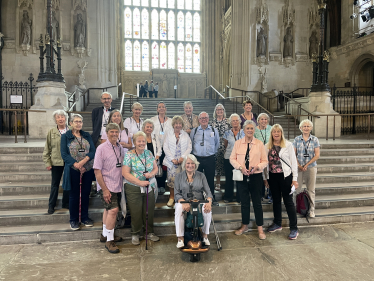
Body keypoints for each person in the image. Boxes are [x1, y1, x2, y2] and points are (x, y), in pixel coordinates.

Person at [230, 120, 268, 239]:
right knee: (244, 203)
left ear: (254, 130)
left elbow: (265, 161)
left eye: (252, 128)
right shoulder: (238, 143)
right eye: (248, 128)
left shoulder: (259, 144)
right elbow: (232, 159)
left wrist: (257, 167)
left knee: (257, 202)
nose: (250, 130)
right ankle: (244, 225)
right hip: (242, 176)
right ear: (244, 130)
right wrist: (240, 167)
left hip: (255, 176)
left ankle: (260, 229)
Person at [122, 131, 160, 245]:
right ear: (134, 142)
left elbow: (155, 168)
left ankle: (149, 232)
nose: (142, 143)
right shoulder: (129, 155)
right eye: (139, 141)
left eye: (143, 141)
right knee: (136, 211)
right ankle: (135, 233)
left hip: (149, 186)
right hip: (133, 187)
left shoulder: (148, 153)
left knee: (149, 210)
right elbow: (125, 173)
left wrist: (151, 174)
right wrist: (139, 182)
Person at [264, 124, 299, 240]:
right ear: (271, 133)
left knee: (288, 202)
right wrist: (265, 178)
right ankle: (277, 223)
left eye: (278, 131)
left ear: (281, 133)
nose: (276, 133)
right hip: (272, 177)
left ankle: (294, 228)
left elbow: (293, 162)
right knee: (276, 201)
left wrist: (295, 179)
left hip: (286, 176)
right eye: (274, 131)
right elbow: (265, 164)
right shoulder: (267, 146)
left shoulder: (288, 145)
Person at [61, 114, 95, 231]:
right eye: (76, 121)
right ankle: (73, 220)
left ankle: (85, 218)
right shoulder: (66, 136)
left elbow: (93, 151)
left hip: (87, 168)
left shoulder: (86, 135)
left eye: (80, 121)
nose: (78, 124)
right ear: (70, 123)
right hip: (73, 169)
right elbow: (64, 154)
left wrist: (84, 163)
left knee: (85, 194)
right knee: (74, 195)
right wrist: (76, 165)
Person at [94, 123, 124, 253]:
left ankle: (105, 234)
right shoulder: (101, 148)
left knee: (107, 210)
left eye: (116, 132)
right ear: (106, 133)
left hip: (117, 184)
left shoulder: (120, 147)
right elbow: (97, 171)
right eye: (111, 132)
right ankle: (109, 241)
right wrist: (105, 189)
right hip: (106, 184)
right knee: (113, 210)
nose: (114, 134)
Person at [174, 154, 213, 249]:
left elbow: (208, 192)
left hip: (198, 200)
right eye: (188, 163)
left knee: (207, 210)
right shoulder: (178, 176)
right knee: (178, 209)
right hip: (183, 201)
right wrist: (183, 202)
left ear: (195, 165)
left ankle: (204, 236)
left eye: (192, 163)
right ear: (184, 164)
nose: (190, 165)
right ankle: (180, 238)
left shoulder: (201, 175)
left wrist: (209, 202)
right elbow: (176, 193)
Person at [42, 110, 70, 214]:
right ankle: (51, 206)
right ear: (55, 120)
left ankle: (66, 203)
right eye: (58, 117)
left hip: (69, 162)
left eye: (62, 116)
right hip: (56, 162)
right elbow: (47, 149)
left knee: (68, 183)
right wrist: (47, 163)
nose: (61, 119)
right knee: (55, 184)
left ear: (66, 118)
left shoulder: (71, 130)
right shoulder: (52, 132)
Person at [190, 112, 220, 206]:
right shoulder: (194, 131)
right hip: (197, 159)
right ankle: (196, 197)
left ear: (208, 119)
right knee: (197, 179)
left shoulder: (214, 130)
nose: (204, 119)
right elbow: (191, 143)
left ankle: (211, 197)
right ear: (199, 120)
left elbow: (217, 144)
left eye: (206, 118)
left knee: (210, 179)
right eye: (202, 118)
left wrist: (211, 153)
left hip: (209, 158)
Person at [293, 119, 320, 218]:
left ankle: (311, 210)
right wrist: (299, 165)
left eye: (308, 126)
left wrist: (307, 164)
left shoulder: (315, 139)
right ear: (300, 128)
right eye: (304, 126)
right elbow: (293, 154)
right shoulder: (296, 139)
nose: (306, 128)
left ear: (311, 128)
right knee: (297, 189)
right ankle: (298, 208)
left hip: (311, 167)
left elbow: (317, 155)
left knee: (311, 189)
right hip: (298, 168)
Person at [163, 116, 192, 207]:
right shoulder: (168, 134)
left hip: (182, 162)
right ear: (173, 124)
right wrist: (172, 159)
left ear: (182, 125)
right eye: (176, 123)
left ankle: (182, 198)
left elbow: (189, 147)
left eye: (180, 123)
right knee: (172, 181)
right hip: (172, 162)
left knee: (183, 181)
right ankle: (172, 197)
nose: (178, 125)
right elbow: (165, 147)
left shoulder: (185, 135)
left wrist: (183, 157)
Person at [150, 102, 172, 193]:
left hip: (167, 147)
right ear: (157, 109)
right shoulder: (152, 120)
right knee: (156, 165)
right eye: (160, 107)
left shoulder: (170, 121)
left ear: (166, 109)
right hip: (155, 147)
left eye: (163, 107)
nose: (161, 108)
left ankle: (162, 185)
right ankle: (156, 185)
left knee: (164, 166)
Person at [222, 113, 245, 203]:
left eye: (236, 120)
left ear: (239, 121)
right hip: (228, 158)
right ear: (230, 122)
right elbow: (226, 144)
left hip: (240, 159)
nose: (235, 122)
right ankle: (228, 197)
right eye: (233, 121)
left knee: (240, 179)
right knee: (229, 178)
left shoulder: (244, 132)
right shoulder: (227, 133)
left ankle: (240, 198)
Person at [210, 103, 230, 191]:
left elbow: (230, 133)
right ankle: (217, 183)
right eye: (218, 109)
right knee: (217, 165)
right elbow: (210, 134)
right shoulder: (212, 122)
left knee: (226, 164)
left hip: (226, 145)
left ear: (223, 111)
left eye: (221, 109)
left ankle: (227, 182)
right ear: (215, 111)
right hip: (216, 145)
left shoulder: (228, 121)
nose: (220, 111)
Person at [254, 113, 273, 203]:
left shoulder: (271, 129)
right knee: (260, 174)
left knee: (271, 175)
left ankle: (270, 194)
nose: (264, 121)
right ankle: (260, 194)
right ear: (258, 121)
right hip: (259, 156)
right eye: (262, 119)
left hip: (271, 155)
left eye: (265, 119)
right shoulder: (255, 130)